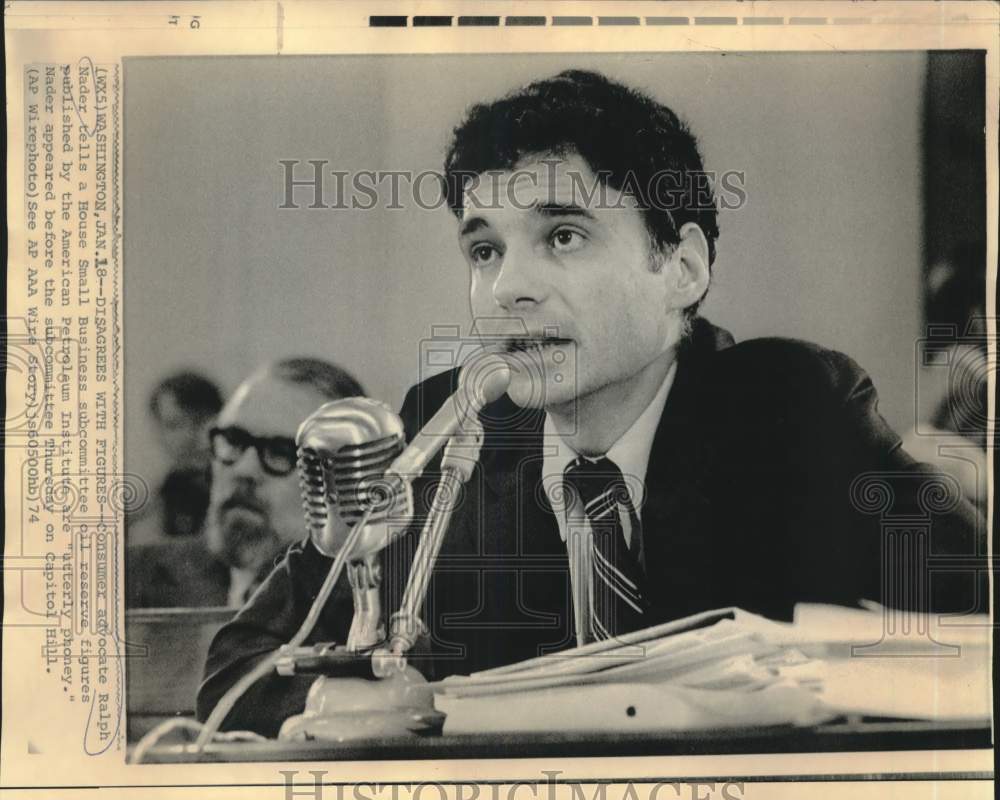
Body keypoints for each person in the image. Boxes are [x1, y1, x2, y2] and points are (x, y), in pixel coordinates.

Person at [197, 70, 986, 737]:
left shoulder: (787, 409)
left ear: (681, 268)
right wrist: (371, 709)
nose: (508, 288)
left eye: (563, 236)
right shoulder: (444, 427)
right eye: (484, 250)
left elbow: (978, 626)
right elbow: (239, 670)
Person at [126, 358, 365, 608]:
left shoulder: (377, 608)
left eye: (281, 452)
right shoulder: (130, 582)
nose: (243, 470)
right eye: (233, 440)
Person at [127, 371, 223, 544]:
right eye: (171, 426)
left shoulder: (236, 485)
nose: (188, 436)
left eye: (199, 421)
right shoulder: (166, 491)